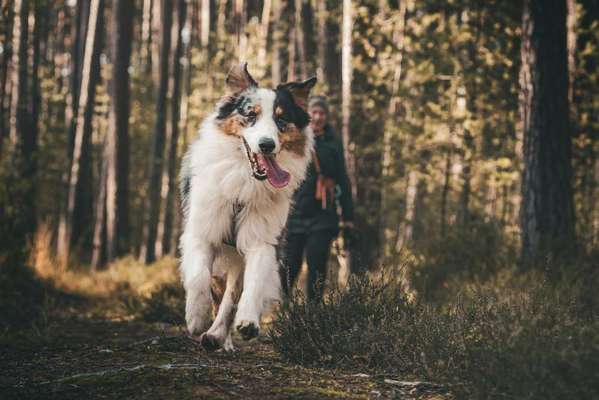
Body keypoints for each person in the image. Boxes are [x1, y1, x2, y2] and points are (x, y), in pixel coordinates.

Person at [282, 95, 354, 300]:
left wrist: (348, 219)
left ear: (327, 116)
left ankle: (314, 316)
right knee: (288, 265)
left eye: (322, 113)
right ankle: (279, 312)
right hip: (295, 214)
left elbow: (343, 179)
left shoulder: (333, 144)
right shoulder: (296, 138)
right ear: (308, 115)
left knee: (317, 265)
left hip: (323, 215)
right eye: (314, 112)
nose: (318, 116)